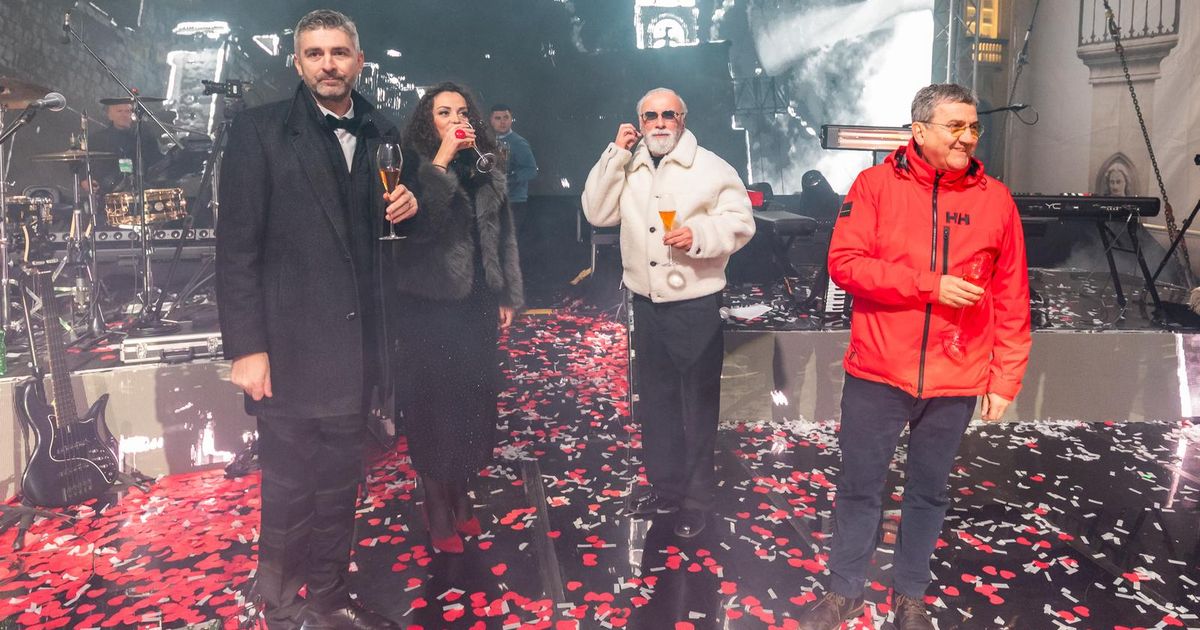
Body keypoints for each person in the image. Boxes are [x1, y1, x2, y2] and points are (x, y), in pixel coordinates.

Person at [796, 84, 1030, 630]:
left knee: (928, 493)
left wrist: (1006, 377)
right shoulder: (874, 186)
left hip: (957, 376)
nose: (967, 137)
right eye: (955, 126)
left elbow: (1012, 295)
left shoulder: (996, 199)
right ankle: (845, 593)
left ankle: (910, 598)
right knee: (859, 487)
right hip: (879, 371)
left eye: (973, 127)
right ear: (919, 131)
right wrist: (929, 285)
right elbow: (845, 264)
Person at [215, 9, 418, 629]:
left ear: (359, 60)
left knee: (340, 485)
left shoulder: (384, 130)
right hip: (290, 349)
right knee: (287, 488)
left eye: (339, 52)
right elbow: (236, 249)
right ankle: (280, 608)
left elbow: (386, 240)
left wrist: (410, 211)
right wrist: (246, 347)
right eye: (315, 53)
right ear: (298, 62)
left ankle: (328, 596)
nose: (328, 64)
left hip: (360, 348)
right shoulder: (258, 130)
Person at [581, 87, 755, 538]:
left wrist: (699, 234)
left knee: (696, 406)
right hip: (646, 302)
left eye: (668, 115)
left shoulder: (711, 167)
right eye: (650, 116)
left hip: (694, 303)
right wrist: (614, 154)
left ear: (682, 119)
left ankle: (696, 500)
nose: (659, 123)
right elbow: (597, 212)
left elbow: (741, 222)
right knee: (657, 404)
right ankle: (666, 488)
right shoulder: (630, 164)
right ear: (639, 123)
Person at [390, 82, 523, 554]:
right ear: (428, 120)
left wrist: (506, 292)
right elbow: (416, 232)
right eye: (444, 112)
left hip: (476, 304)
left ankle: (461, 490)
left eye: (462, 112)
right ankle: (435, 502)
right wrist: (442, 162)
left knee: (472, 400)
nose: (456, 120)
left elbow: (502, 233)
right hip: (428, 306)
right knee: (433, 406)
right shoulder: (409, 165)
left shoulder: (483, 164)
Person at [85, 99, 164, 196]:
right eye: (119, 111)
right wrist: (84, 179)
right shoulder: (98, 139)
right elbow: (84, 162)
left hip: (144, 191)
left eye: (127, 111)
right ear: (110, 115)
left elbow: (157, 161)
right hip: (109, 193)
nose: (124, 115)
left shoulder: (144, 136)